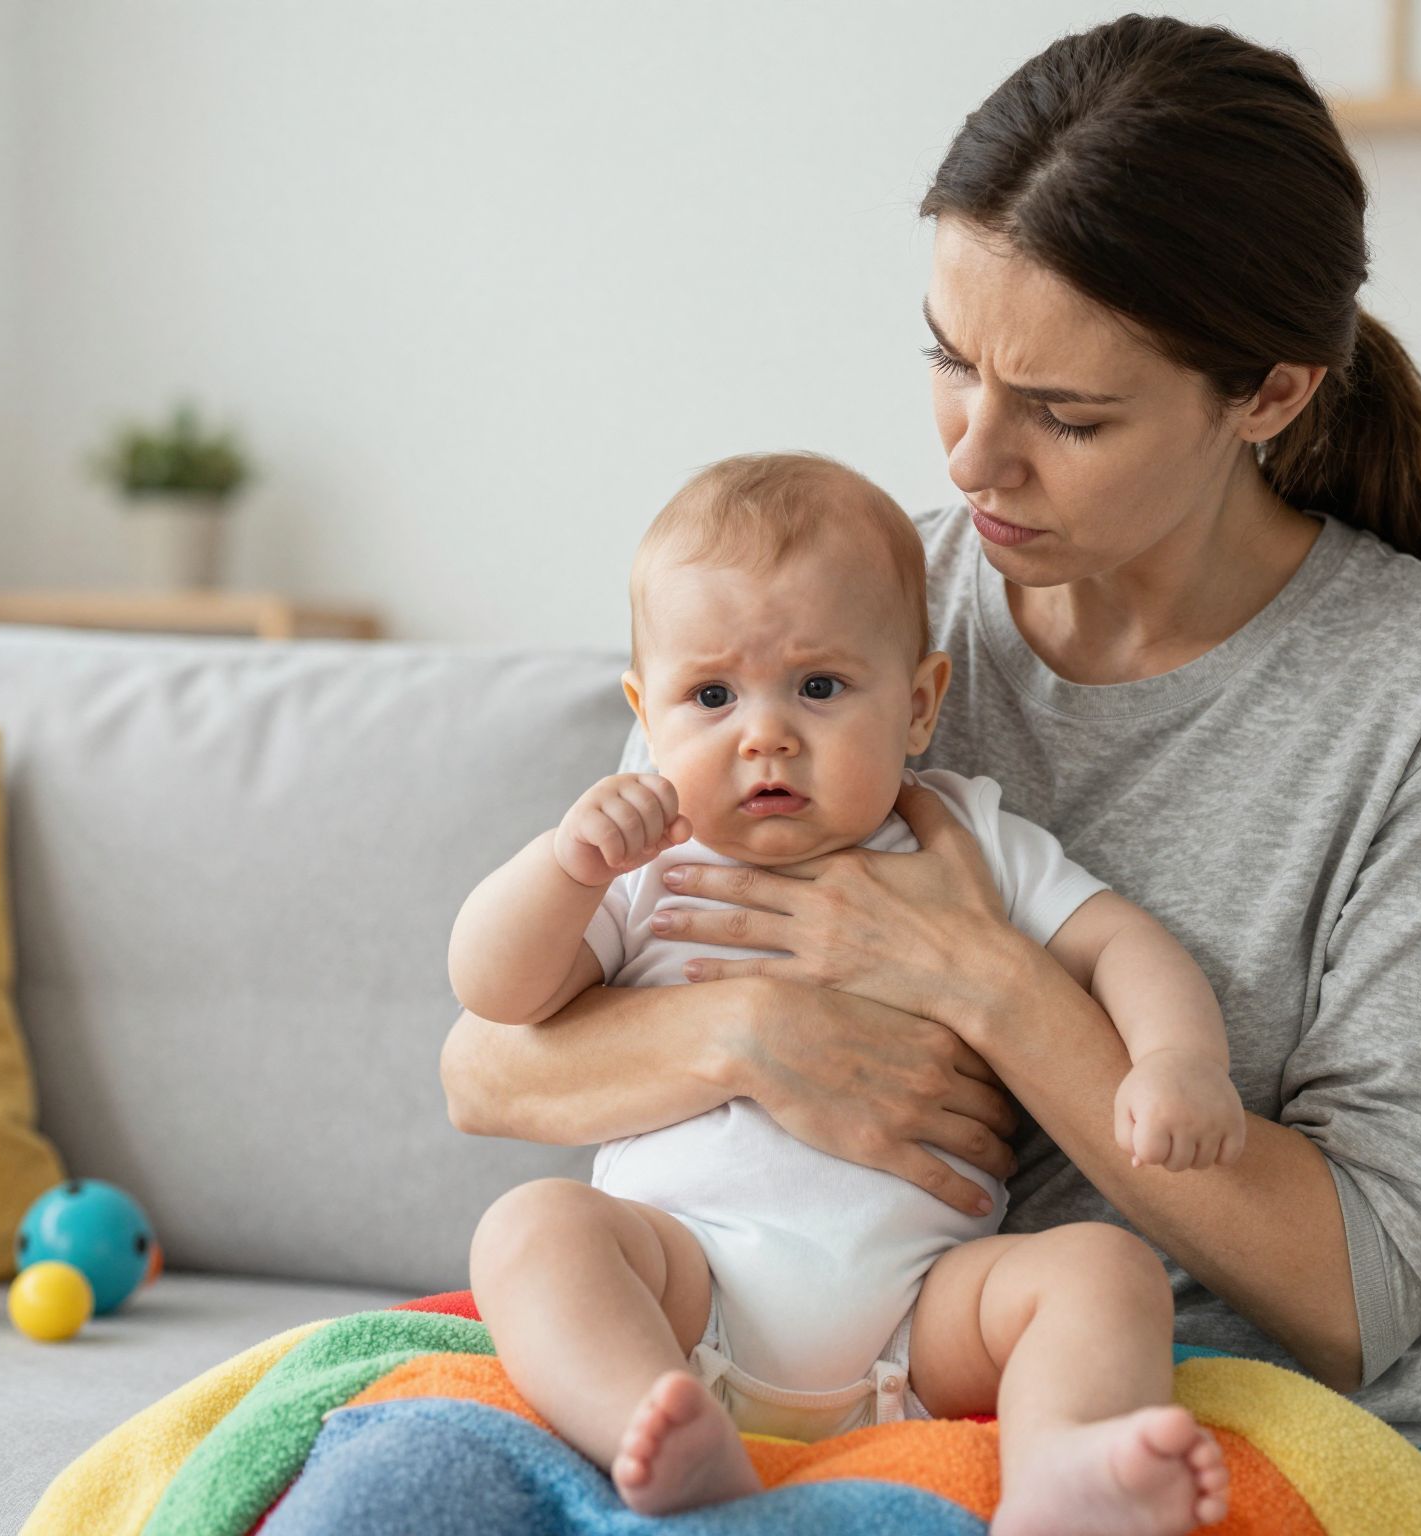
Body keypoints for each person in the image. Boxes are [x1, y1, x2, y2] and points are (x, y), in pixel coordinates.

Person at [443, 16, 1421, 1534]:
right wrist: (752, 1034)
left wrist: (986, 986)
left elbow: (1369, 1293)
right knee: (385, 1490)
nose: (973, 457)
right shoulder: (838, 602)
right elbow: (489, 1064)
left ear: (1268, 395)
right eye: (950, 360)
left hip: (1204, 1405)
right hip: (758, 1368)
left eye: (1065, 412)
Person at [450, 452, 1238, 1533]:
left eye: (819, 688)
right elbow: (495, 992)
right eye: (711, 696)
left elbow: (1121, 944)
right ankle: (651, 1423)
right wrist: (563, 866)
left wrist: (1178, 1061)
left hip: (921, 1319)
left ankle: (1063, 1463)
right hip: (683, 1292)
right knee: (532, 1229)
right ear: (646, 712)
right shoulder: (646, 863)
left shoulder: (963, 837)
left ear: (917, 705)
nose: (764, 734)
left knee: (1105, 1270)